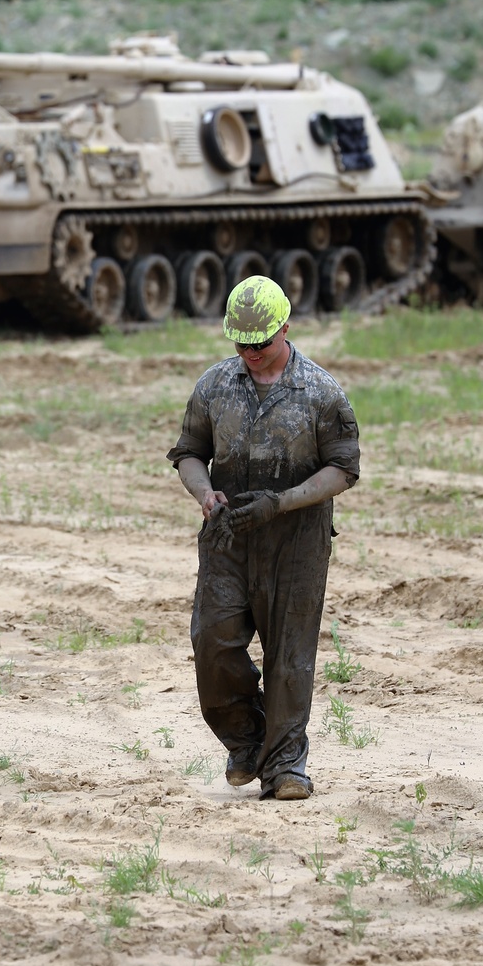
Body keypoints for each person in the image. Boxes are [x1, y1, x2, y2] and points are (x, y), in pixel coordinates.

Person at [166, 275, 360, 800]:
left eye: (261, 343)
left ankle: (285, 767)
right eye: (241, 344)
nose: (250, 353)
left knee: (289, 656)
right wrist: (206, 494)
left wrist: (282, 501)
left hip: (295, 543)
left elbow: (344, 469)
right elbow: (188, 452)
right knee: (213, 642)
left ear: (285, 330)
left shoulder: (321, 392)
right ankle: (247, 741)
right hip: (228, 539)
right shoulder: (214, 385)